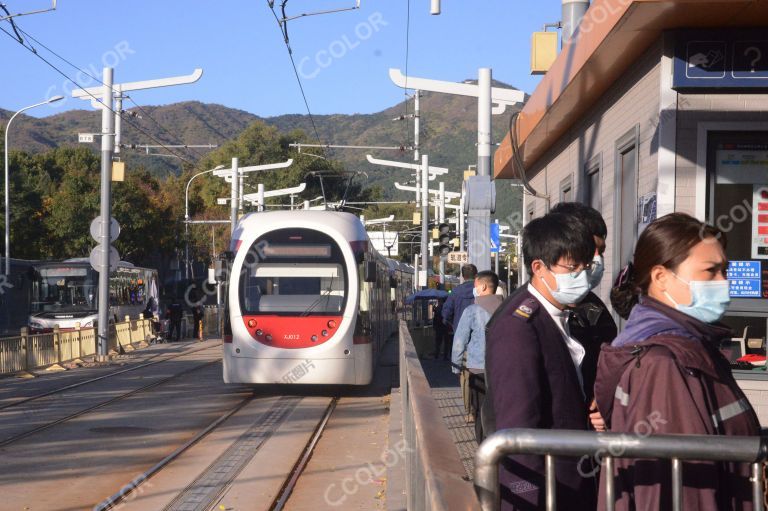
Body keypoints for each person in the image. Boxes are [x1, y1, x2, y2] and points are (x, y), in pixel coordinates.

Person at [594, 213, 760, 510]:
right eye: (711, 271)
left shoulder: (690, 345)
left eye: (725, 270)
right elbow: (681, 488)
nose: (724, 282)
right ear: (661, 277)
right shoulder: (665, 364)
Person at [485, 212, 598, 511]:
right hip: (546, 489)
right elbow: (518, 428)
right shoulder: (518, 327)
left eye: (586, 266)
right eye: (572, 267)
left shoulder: (556, 313)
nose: (582, 276)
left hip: (570, 481)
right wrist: (524, 497)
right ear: (539, 268)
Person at [550, 202, 618, 421]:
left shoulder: (596, 310)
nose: (596, 259)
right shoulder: (525, 316)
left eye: (601, 252)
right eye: (589, 250)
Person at [451, 270, 502, 443]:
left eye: (475, 287)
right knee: (501, 410)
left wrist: (456, 365)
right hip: (503, 372)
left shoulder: (472, 311)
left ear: (483, 286)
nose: (474, 290)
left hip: (477, 369)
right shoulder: (508, 308)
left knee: (480, 410)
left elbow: (459, 341)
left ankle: (484, 448)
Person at [442, 263, 478, 332]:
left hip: (459, 332)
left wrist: (454, 324)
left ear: (463, 276)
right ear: (476, 275)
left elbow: (446, 314)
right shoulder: (481, 291)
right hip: (478, 333)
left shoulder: (455, 292)